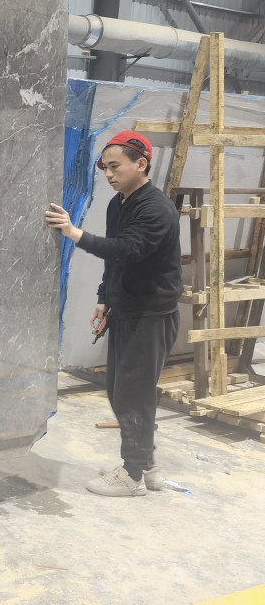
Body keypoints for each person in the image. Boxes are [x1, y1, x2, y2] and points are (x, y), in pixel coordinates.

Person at [45, 130, 182, 497]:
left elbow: (127, 249)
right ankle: (146, 467)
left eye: (115, 166)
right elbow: (116, 261)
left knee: (133, 395)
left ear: (141, 164)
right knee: (120, 392)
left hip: (151, 315)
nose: (108, 174)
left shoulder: (155, 209)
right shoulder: (119, 204)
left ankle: (132, 477)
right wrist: (105, 297)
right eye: (104, 167)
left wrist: (73, 232)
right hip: (127, 309)